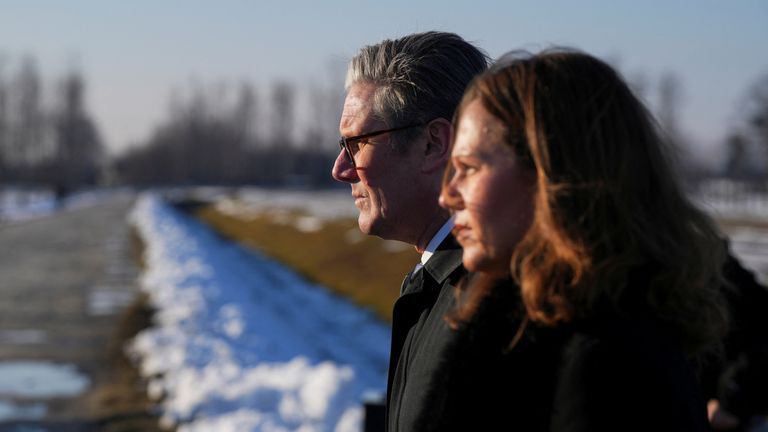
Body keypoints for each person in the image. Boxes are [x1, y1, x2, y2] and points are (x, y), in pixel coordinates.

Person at [439, 49, 730, 431]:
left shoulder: (611, 371)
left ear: (552, 177)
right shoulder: (511, 330)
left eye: (469, 168)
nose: (447, 195)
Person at [330, 31, 488, 431]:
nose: (340, 169)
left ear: (434, 143)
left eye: (357, 144)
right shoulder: (446, 278)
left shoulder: (487, 302)